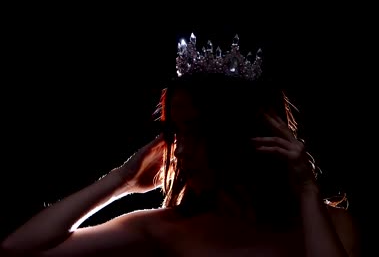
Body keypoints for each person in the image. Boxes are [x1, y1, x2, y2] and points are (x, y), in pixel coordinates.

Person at [1, 33, 360, 257]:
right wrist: (122, 180)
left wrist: (307, 192)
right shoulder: (167, 229)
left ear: (251, 136)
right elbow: (18, 248)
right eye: (177, 132)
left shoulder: (331, 223)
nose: (182, 150)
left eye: (199, 131)